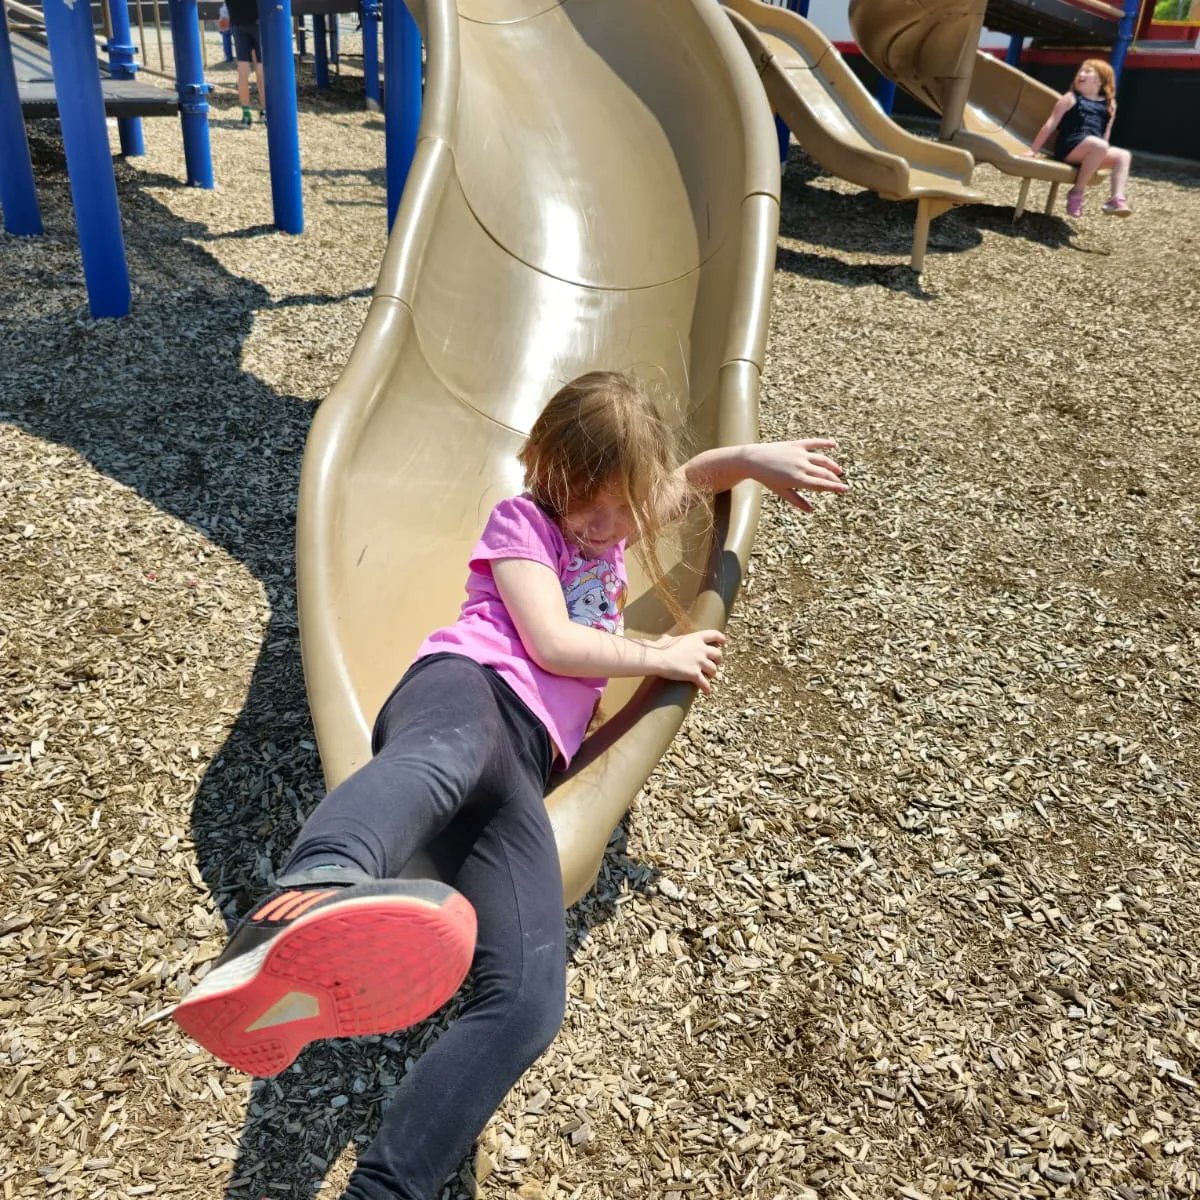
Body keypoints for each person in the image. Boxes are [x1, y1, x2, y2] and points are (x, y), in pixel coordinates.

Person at [171, 370, 848, 1200]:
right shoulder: (524, 522)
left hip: (526, 768)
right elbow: (554, 643)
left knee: (527, 1003)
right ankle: (310, 890)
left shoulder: (623, 514)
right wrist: (656, 655)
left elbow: (689, 480)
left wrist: (750, 459)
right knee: (436, 764)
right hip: (468, 691)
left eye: (621, 509)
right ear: (549, 477)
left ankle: (388, 1188)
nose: (602, 528)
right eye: (583, 505)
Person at [1024, 59, 1132, 218]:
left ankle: (1116, 198)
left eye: (1087, 72)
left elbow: (1105, 134)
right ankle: (1077, 192)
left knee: (1123, 155)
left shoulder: (1110, 104)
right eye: (1080, 71)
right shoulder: (1070, 98)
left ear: (1100, 80)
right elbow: (1050, 124)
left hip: (1094, 149)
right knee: (1099, 145)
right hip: (1069, 149)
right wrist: (1033, 150)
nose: (1081, 74)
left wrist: (1100, 157)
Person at [225, 0, 266, 128]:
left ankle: (246, 115)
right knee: (261, 68)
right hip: (257, 21)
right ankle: (265, 111)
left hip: (238, 22)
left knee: (243, 70)